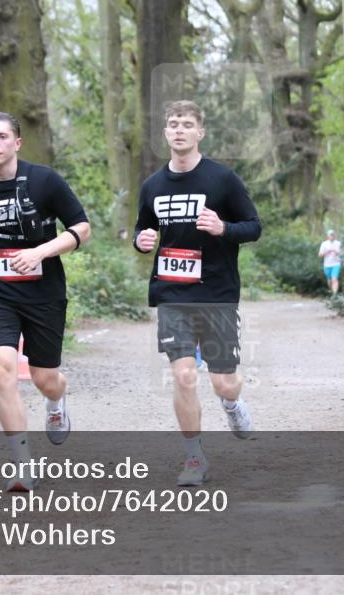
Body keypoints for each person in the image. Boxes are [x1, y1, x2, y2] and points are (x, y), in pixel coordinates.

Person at [0, 112, 91, 492]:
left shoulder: (44, 181)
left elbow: (81, 228)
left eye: (1, 137)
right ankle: (22, 465)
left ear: (17, 143)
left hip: (43, 292)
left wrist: (40, 252)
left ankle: (56, 399)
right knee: (1, 368)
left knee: (45, 378)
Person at [133, 100, 262, 486]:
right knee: (185, 376)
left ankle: (232, 402)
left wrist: (224, 229)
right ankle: (194, 459)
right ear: (165, 133)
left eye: (187, 124)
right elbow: (143, 231)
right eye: (173, 123)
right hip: (173, 294)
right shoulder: (152, 185)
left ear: (199, 133)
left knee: (224, 381)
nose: (179, 130)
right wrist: (141, 241)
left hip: (217, 294)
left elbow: (253, 226)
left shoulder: (222, 180)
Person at [318, 229, 343, 294]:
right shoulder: (324, 244)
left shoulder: (338, 243)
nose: (332, 236)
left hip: (336, 263)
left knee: (334, 279)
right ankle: (332, 292)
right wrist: (326, 251)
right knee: (329, 280)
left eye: (333, 235)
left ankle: (335, 295)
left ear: (334, 236)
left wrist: (336, 251)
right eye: (330, 235)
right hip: (327, 265)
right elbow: (320, 255)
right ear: (328, 236)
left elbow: (342, 253)